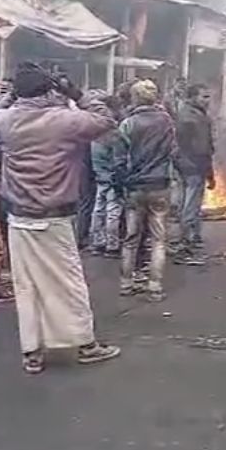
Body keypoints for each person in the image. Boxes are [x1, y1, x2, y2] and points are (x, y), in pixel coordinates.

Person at [0, 63, 121, 374]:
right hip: (55, 217)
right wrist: (75, 91)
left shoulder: (4, 120)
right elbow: (106, 120)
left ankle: (32, 352)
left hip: (19, 217)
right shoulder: (66, 121)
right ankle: (85, 344)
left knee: (27, 285)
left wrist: (10, 96)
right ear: (51, 90)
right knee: (69, 283)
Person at [114, 79, 177, 302]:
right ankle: (155, 285)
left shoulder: (128, 124)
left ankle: (126, 283)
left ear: (134, 98)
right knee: (158, 239)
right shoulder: (167, 121)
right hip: (160, 184)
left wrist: (120, 186)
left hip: (135, 187)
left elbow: (119, 161)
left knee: (131, 238)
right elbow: (173, 150)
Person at [173, 83, 215, 265]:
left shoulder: (189, 114)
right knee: (191, 203)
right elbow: (201, 147)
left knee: (189, 202)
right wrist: (208, 169)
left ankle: (192, 236)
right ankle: (186, 240)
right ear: (192, 97)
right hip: (193, 165)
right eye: (204, 97)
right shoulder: (193, 118)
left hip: (186, 164)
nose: (208, 101)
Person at [88, 92, 124, 258]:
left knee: (98, 209)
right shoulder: (113, 133)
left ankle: (97, 242)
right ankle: (112, 244)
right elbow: (118, 158)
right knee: (113, 211)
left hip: (99, 175)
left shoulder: (94, 132)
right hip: (112, 178)